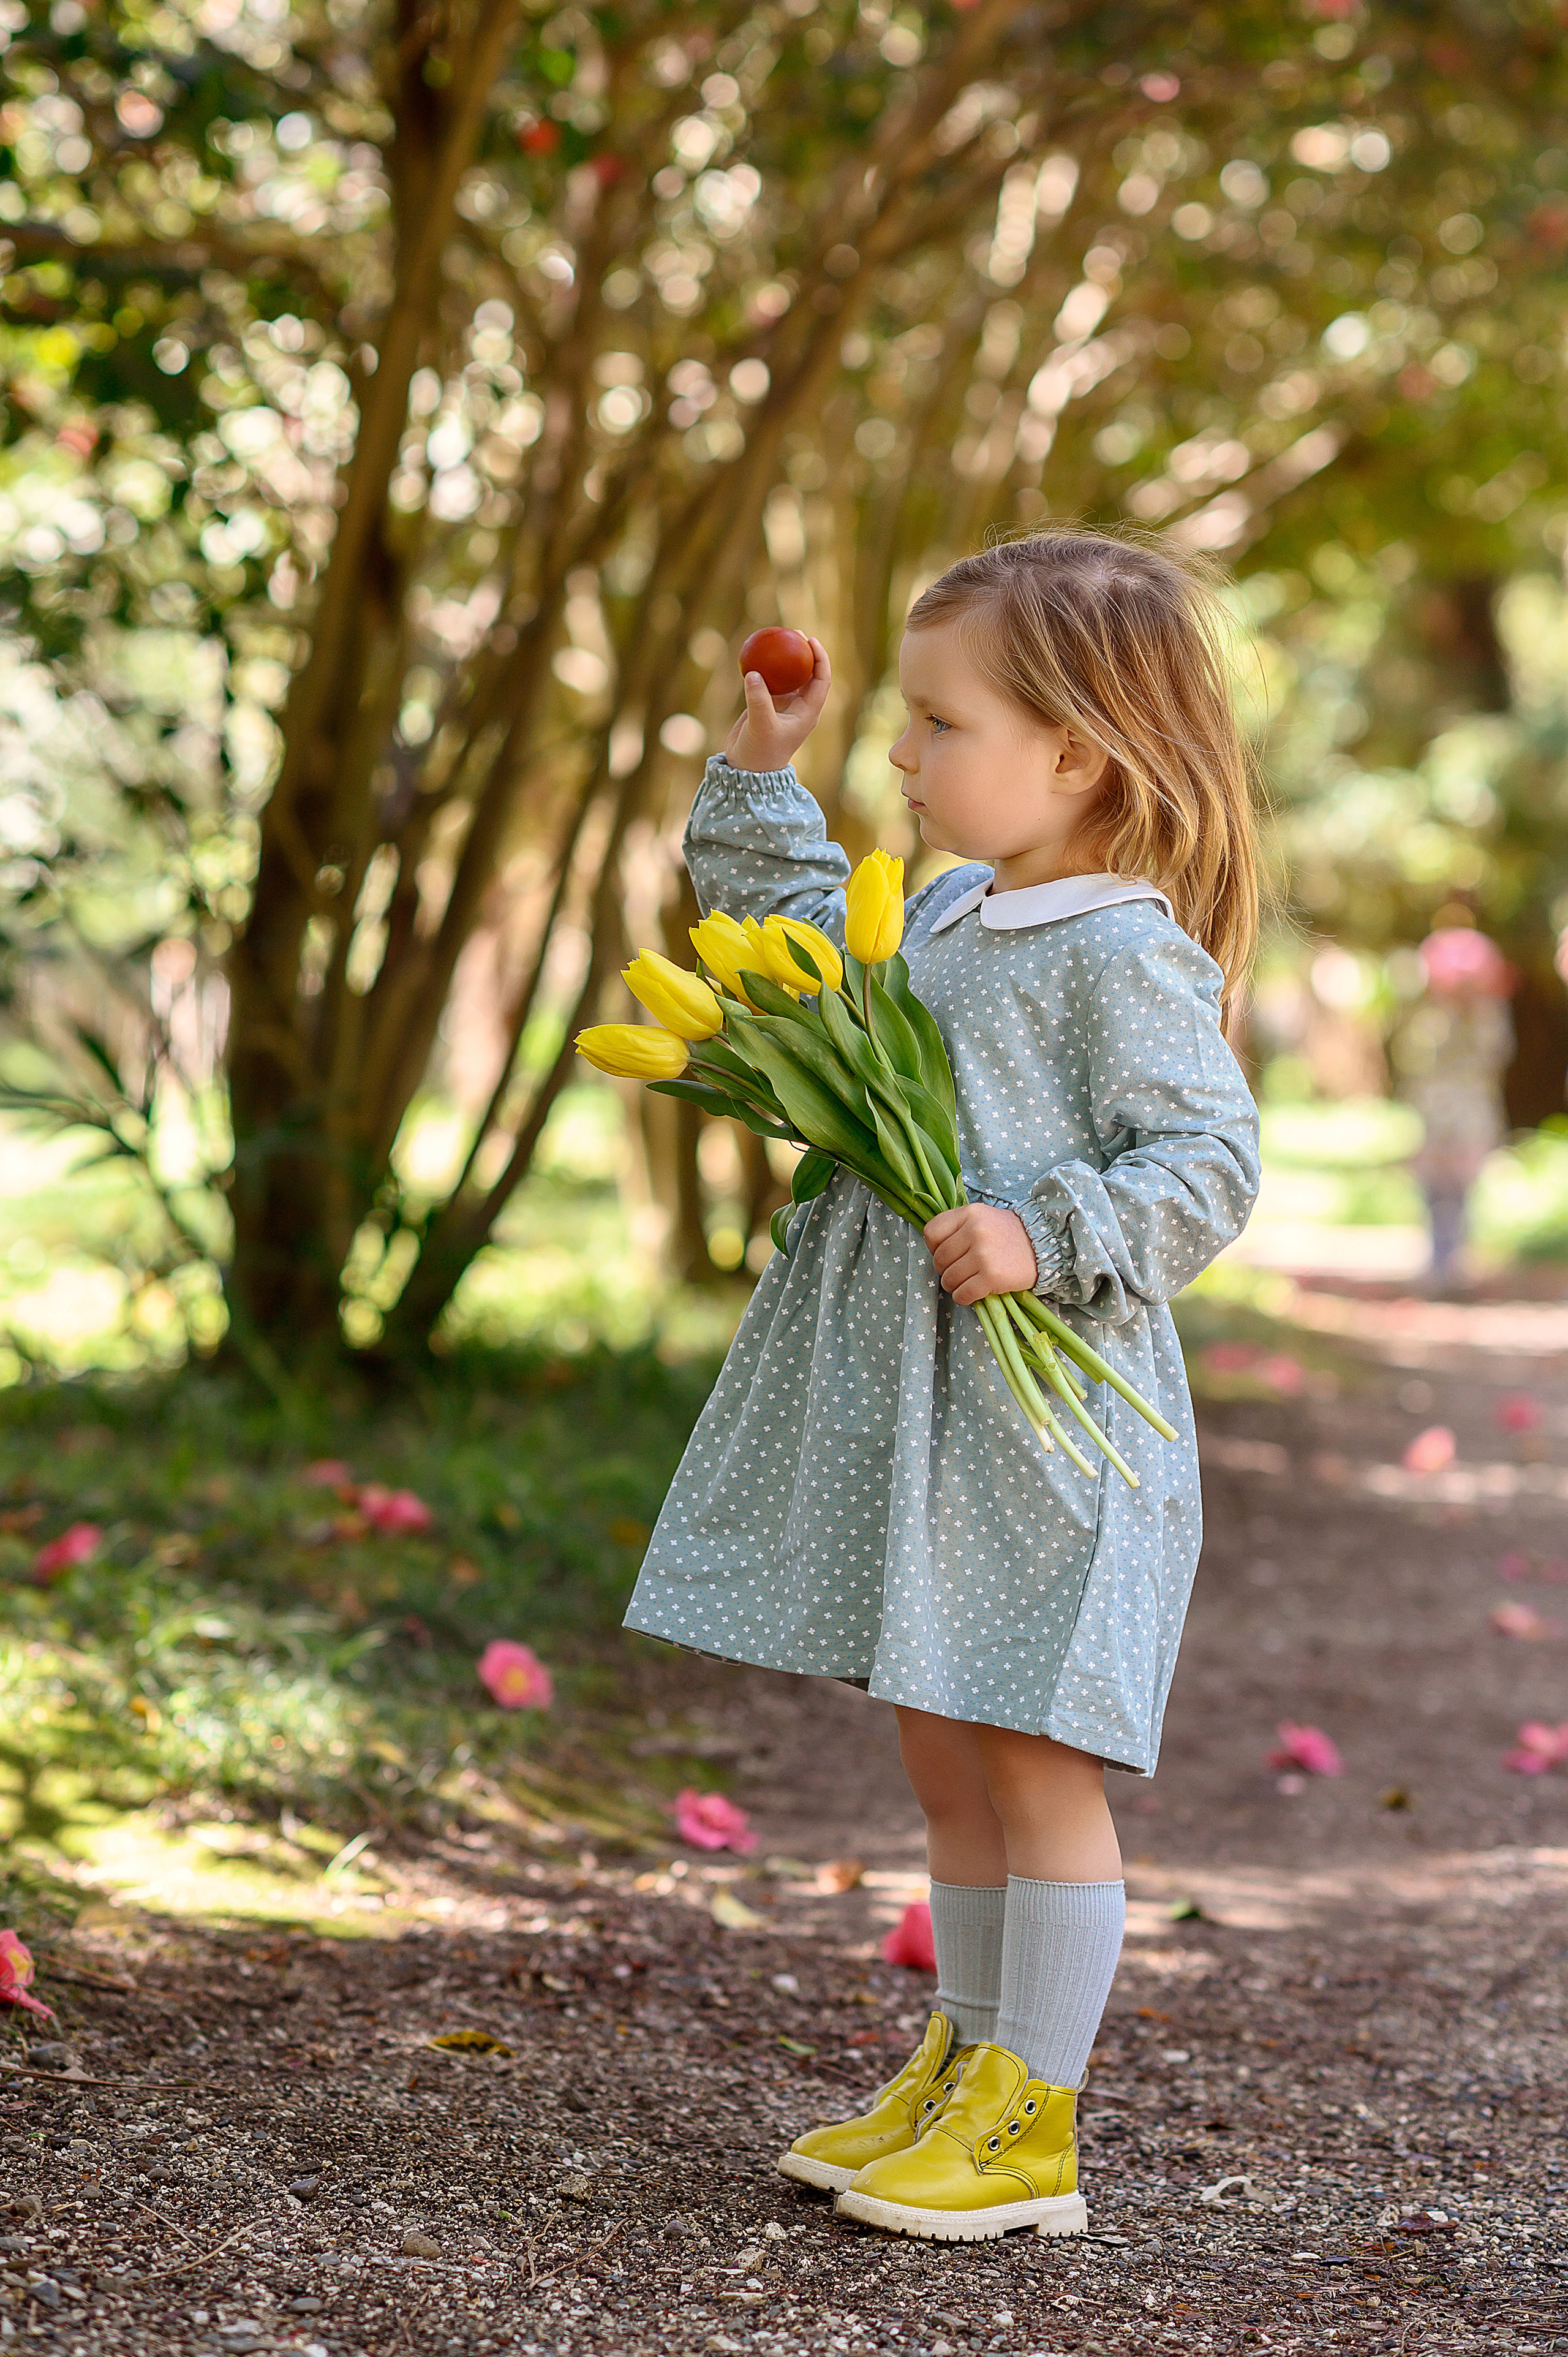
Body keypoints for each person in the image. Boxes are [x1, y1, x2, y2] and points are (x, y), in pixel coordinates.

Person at [624, 529, 1262, 2241]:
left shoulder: (1122, 948)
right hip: (935, 1420)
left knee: (1032, 1756)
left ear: (1078, 754)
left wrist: (1046, 1232)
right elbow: (799, 958)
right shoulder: (953, 910)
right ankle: (965, 2058)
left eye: (939, 722)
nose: (902, 753)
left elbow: (1208, 1161)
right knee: (946, 1751)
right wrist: (762, 777)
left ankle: (1029, 2121)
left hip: (1044, 1425)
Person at [1396, 926, 1515, 1284]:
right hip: (1435, 1112)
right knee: (1434, 1187)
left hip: (1472, 1112)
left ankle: (1456, 1258)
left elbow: (1496, 1054)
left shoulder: (1489, 1013)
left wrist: (1473, 1011)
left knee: (1464, 1186)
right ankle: (1438, 1258)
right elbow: (1413, 1057)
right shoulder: (1428, 1014)